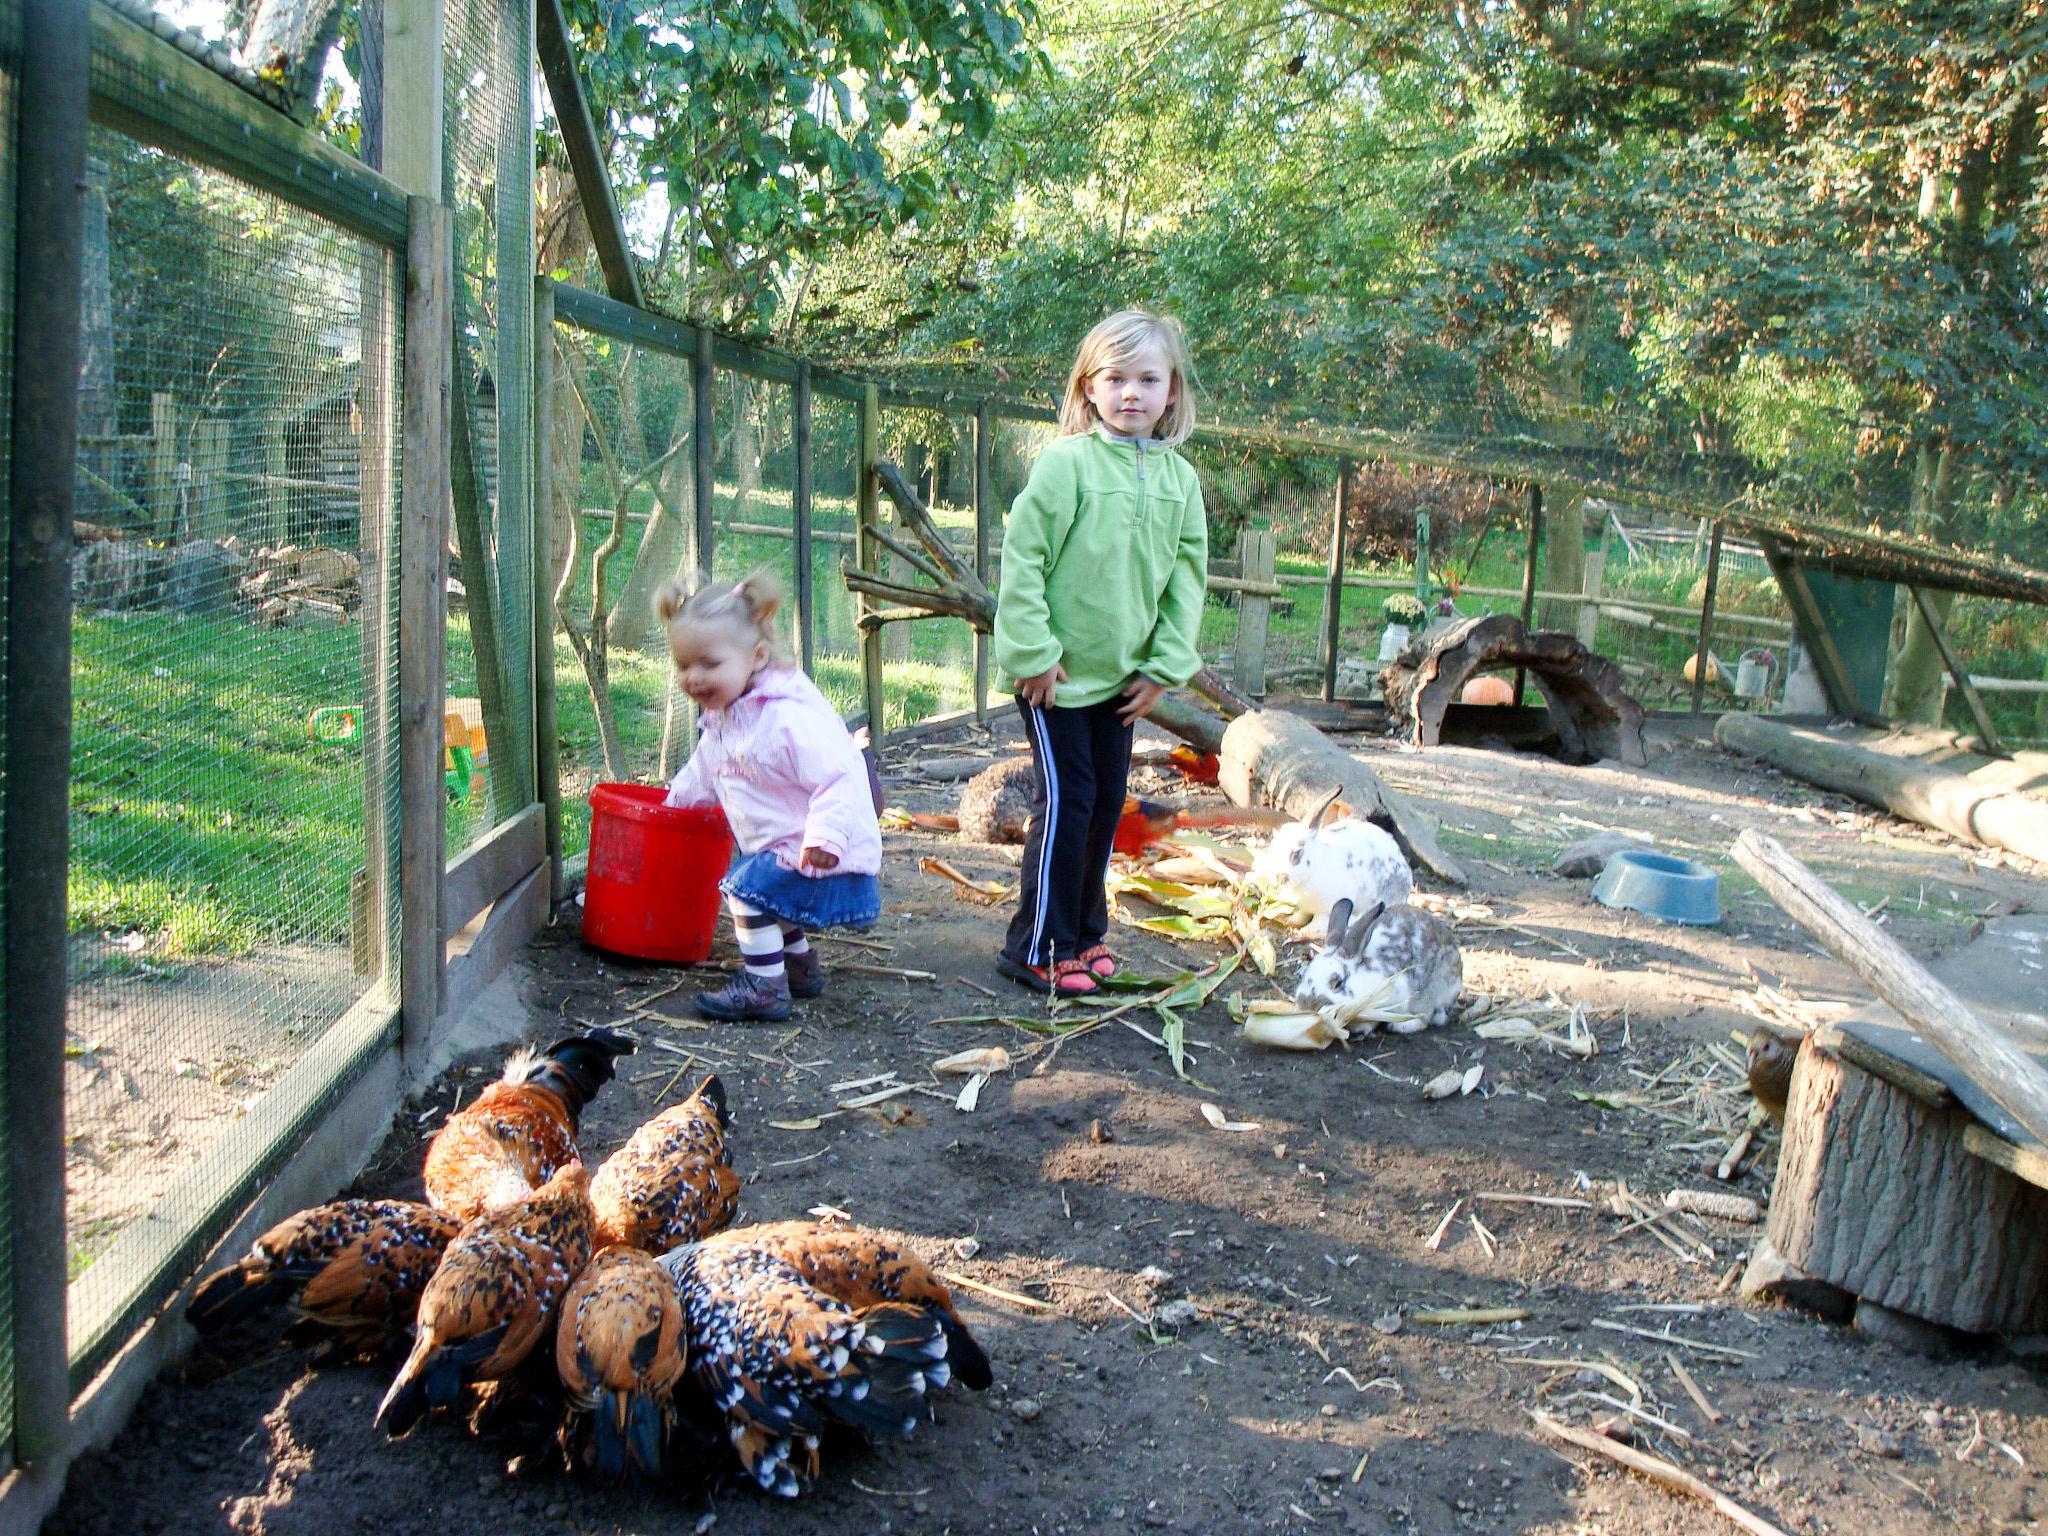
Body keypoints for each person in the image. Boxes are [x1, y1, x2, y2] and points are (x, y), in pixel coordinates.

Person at [991, 309, 1209, 996]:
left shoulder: (1181, 482)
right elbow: (1023, 559)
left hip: (1122, 679)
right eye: (1115, 378)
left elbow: (1187, 580)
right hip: (1055, 679)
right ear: (1089, 388)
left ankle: (1085, 935)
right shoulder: (1066, 465)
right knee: (1071, 800)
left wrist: (1162, 669)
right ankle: (1036, 944)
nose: (1132, 393)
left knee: (1107, 799)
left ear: (1172, 390)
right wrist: (1030, 649)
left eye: (1148, 378)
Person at [659, 571, 881, 1021]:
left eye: (709, 663)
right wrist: (668, 811)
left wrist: (825, 838)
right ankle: (798, 968)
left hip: (829, 855)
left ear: (757, 656)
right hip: (795, 851)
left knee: (745, 889)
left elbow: (839, 775)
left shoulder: (785, 717)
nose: (694, 678)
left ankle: (764, 986)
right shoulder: (727, 717)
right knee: (767, 892)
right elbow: (703, 770)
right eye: (684, 666)